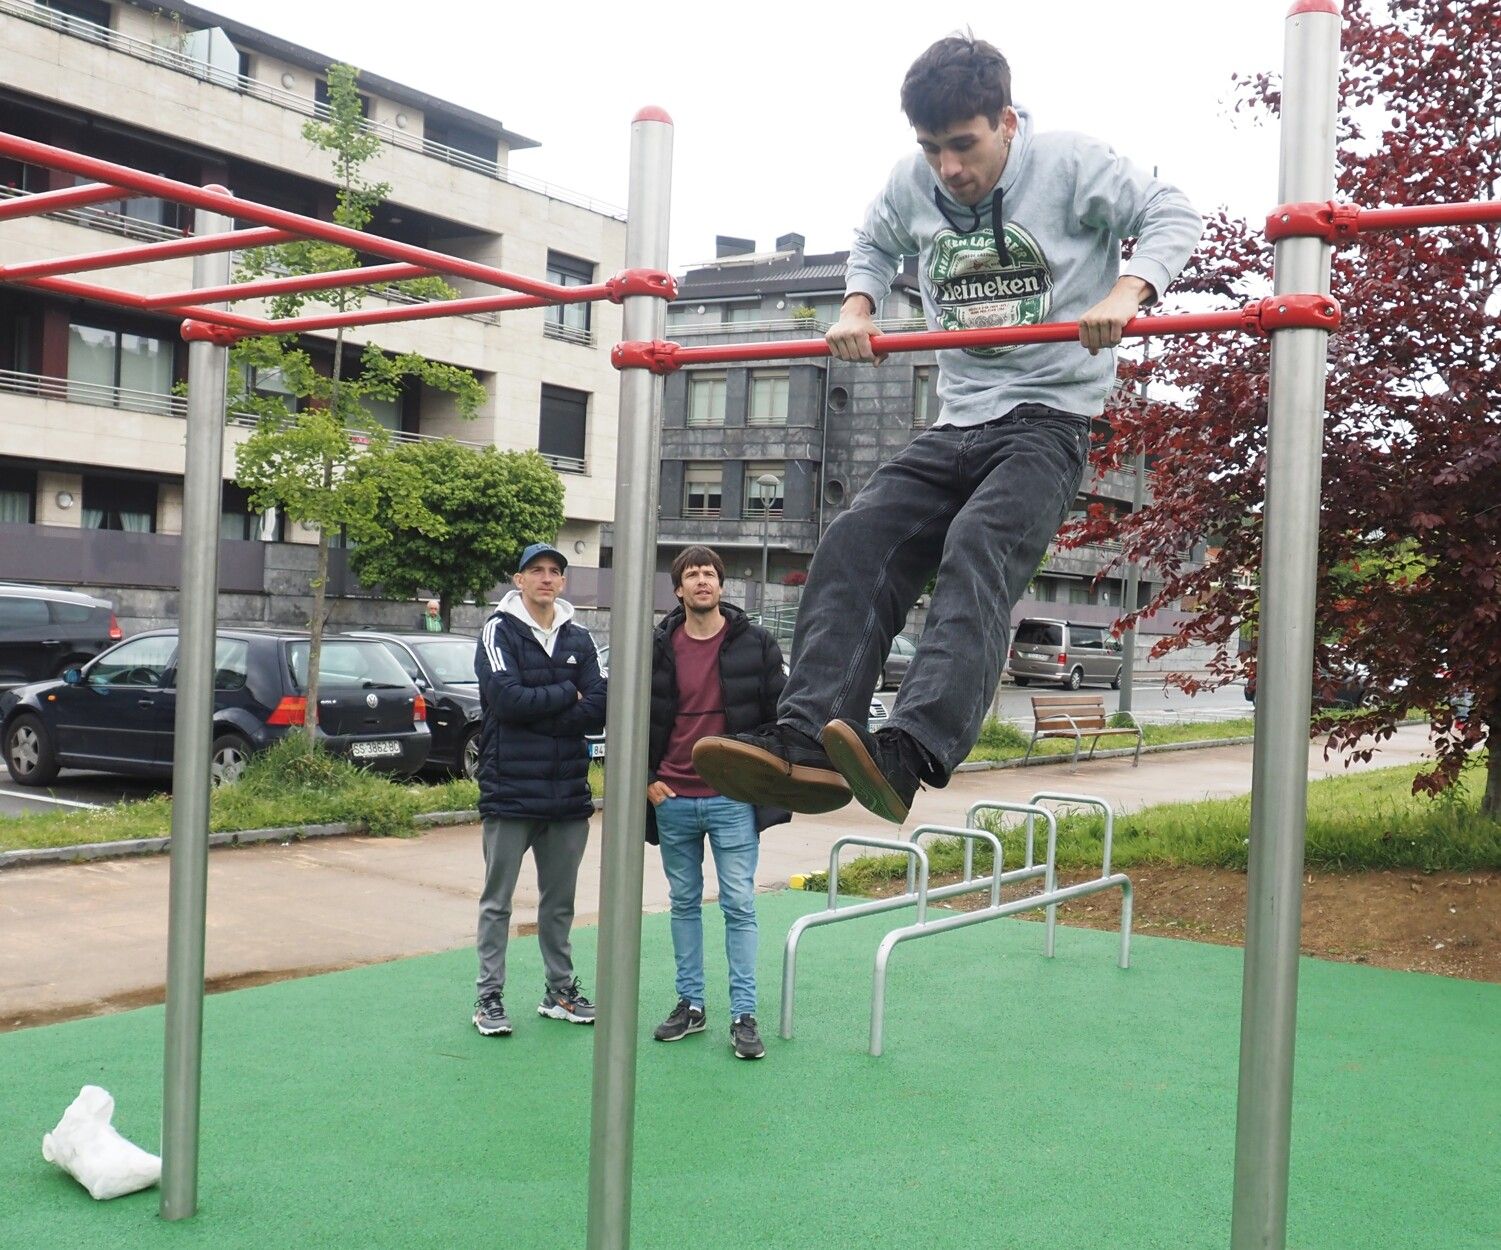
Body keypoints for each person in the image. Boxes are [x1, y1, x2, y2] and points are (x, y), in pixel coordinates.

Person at [694, 34, 1202, 825]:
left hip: (1047, 420)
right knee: (855, 539)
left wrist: (1129, 290)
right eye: (932, 150)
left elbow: (1171, 210)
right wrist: (858, 304)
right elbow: (873, 240)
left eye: (963, 146)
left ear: (1004, 121)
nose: (949, 170)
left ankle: (911, 751)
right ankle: (804, 741)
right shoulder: (913, 182)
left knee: (978, 549)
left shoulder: (1069, 163)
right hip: (956, 419)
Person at [646, 546, 788, 1061]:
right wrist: (645, 778)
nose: (702, 580)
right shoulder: (658, 648)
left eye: (710, 573)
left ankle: (744, 1015)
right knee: (683, 903)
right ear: (679, 589)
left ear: (721, 586)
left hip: (732, 800)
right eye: (692, 574)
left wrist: (753, 776)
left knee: (739, 904)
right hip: (674, 796)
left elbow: (780, 719)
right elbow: (633, 716)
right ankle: (691, 1004)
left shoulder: (757, 644)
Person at [470, 542, 606, 1036]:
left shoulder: (580, 638)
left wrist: (544, 707)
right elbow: (505, 700)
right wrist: (565, 695)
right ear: (518, 579)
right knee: (497, 902)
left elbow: (599, 706)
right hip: (510, 793)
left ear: (563, 582)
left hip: (567, 795)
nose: (546, 578)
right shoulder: (497, 631)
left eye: (555, 571)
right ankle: (488, 999)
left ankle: (560, 992)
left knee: (560, 903)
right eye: (537, 571)